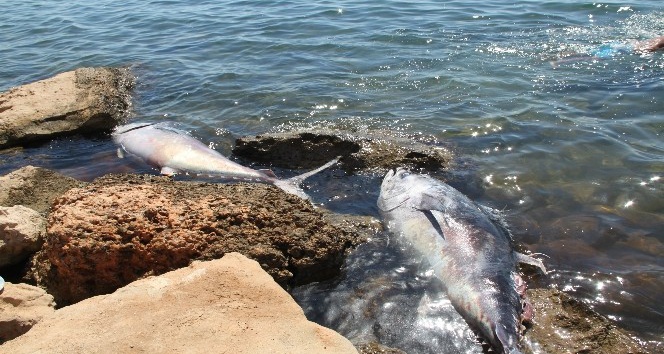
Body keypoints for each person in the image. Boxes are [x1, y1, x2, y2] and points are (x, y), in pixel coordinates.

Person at [551, 35, 664, 66]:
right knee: (595, 58)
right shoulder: (660, 42)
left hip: (620, 45)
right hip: (622, 50)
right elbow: (645, 49)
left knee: (591, 52)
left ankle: (556, 56)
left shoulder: (660, 37)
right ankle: (558, 62)